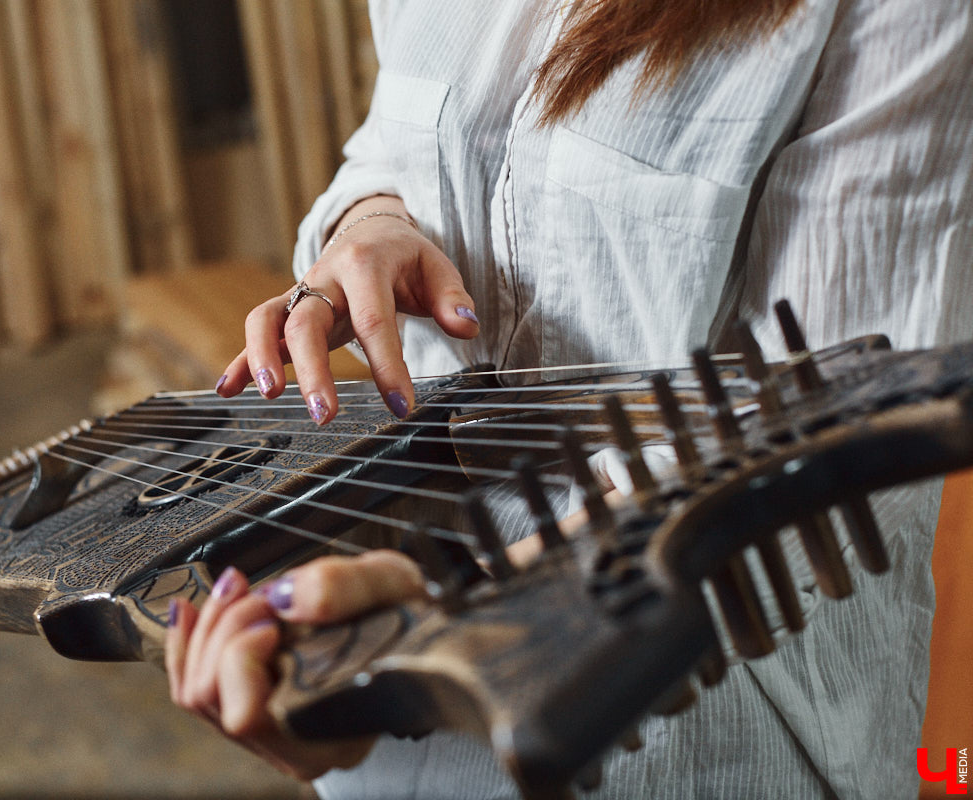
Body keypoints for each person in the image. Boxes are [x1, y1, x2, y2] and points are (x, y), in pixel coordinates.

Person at [166, 1, 973, 797]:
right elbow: (390, 139)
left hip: (704, 730)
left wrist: (446, 610)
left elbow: (839, 423)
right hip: (395, 677)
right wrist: (373, 223)